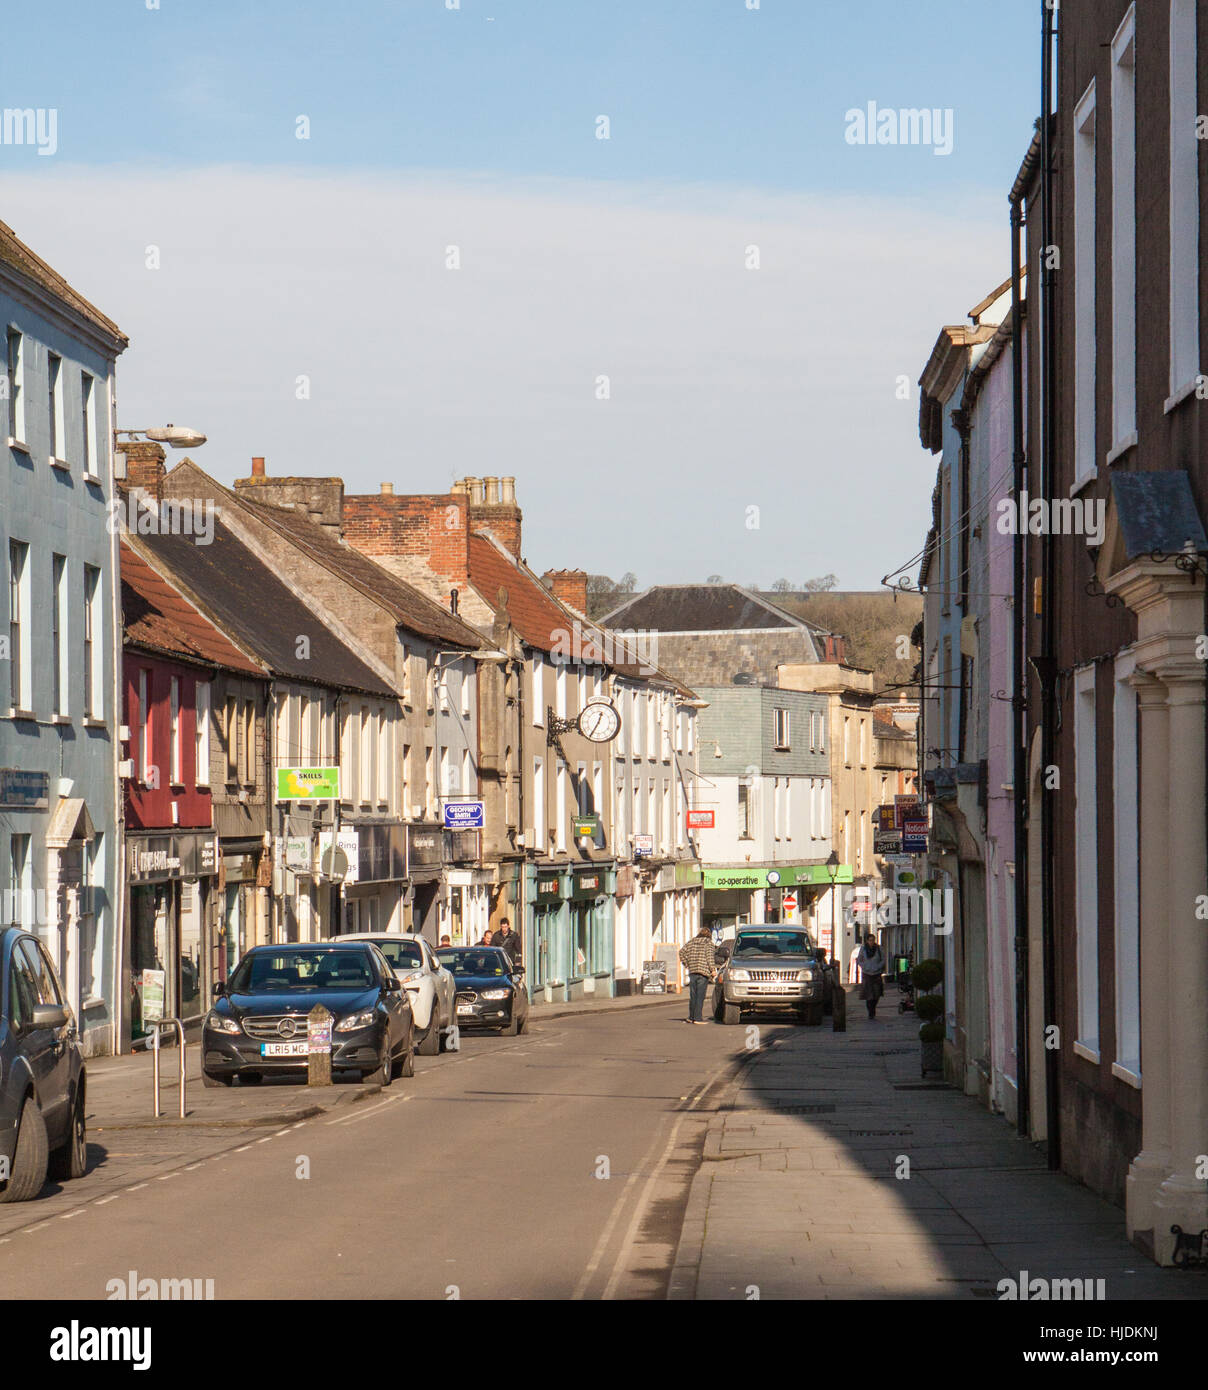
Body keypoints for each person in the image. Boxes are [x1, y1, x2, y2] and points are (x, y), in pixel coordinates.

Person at [679, 925, 719, 1025]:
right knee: (700, 996)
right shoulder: (708, 943)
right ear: (709, 935)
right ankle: (697, 1018)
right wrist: (713, 970)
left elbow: (681, 952)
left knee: (693, 995)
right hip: (703, 972)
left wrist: (687, 963)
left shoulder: (691, 942)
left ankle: (691, 1017)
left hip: (692, 971)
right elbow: (709, 957)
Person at [857, 933, 885, 1020]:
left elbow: (883, 959)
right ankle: (870, 1012)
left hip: (876, 974)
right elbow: (859, 960)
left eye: (873, 940)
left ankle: (873, 1008)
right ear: (867, 941)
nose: (871, 942)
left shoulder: (879, 949)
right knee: (868, 995)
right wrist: (864, 966)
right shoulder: (863, 949)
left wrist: (878, 966)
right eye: (870, 940)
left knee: (876, 994)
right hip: (867, 974)